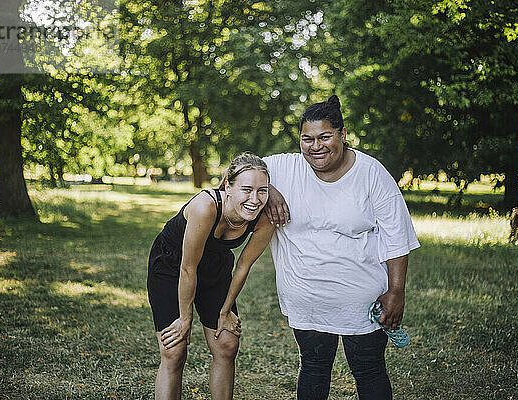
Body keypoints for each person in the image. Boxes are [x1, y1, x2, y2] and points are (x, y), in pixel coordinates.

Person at [263, 95, 420, 400]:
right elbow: (234, 174)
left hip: (361, 301)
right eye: (307, 139)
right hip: (307, 298)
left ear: (343, 134)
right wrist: (265, 188)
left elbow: (396, 234)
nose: (315, 146)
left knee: (369, 370)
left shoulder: (371, 173)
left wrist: (397, 291)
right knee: (313, 367)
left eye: (325, 136)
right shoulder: (283, 167)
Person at [147, 153, 275, 400]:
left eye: (262, 191)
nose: (254, 199)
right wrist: (186, 318)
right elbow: (187, 268)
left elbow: (242, 267)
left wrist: (225, 311)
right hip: (171, 266)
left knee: (227, 345)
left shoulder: (264, 217)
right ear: (228, 185)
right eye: (246, 189)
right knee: (174, 350)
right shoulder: (205, 206)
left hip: (215, 267)